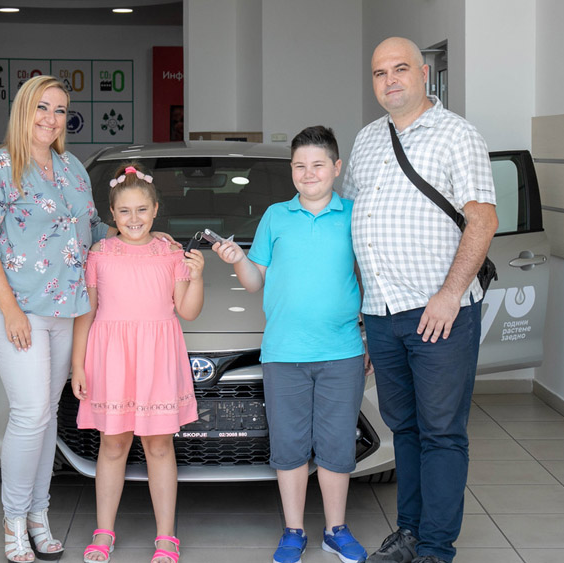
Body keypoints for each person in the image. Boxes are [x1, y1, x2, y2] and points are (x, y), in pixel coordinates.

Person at [342, 38, 498, 563]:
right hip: (381, 315)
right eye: (379, 72)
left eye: (400, 69)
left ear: (424, 73)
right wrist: (362, 317)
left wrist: (450, 295)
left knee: (441, 433)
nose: (390, 80)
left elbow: (483, 220)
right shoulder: (366, 140)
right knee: (404, 429)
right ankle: (409, 533)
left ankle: (435, 549)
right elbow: (355, 225)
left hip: (440, 315)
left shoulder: (457, 134)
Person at [0, 74, 117, 562]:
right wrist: (11, 310)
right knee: (31, 412)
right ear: (23, 110)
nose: (51, 119)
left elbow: (92, 227)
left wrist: (138, 234)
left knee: (47, 412)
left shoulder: (72, 168)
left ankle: (38, 512)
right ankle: (13, 518)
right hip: (14, 308)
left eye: (60, 110)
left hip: (65, 306)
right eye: (42, 107)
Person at [213, 126, 368, 563]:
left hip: (342, 352)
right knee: (290, 447)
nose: (308, 173)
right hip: (284, 353)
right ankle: (294, 530)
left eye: (318, 164)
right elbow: (254, 282)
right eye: (300, 165)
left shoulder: (355, 215)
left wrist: (371, 338)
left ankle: (336, 530)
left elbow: (371, 281)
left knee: (337, 447)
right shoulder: (275, 216)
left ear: (336, 168)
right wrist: (238, 260)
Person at [71, 163, 205, 563]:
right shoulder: (99, 254)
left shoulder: (171, 253)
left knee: (159, 445)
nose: (134, 219)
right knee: (112, 444)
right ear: (112, 214)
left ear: (156, 209)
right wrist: (78, 365)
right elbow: (86, 314)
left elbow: (188, 311)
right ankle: (103, 530)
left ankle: (166, 536)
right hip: (112, 360)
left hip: (156, 360)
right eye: (125, 211)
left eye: (142, 210)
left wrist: (197, 278)